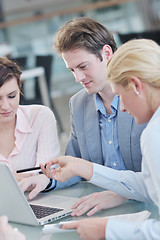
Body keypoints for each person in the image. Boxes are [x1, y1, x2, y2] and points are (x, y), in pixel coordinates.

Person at [41, 38, 160, 239]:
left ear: (136, 86)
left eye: (120, 95)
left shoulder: (153, 133)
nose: (121, 108)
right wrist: (85, 168)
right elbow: (150, 186)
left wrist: (107, 230)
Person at [22, 17, 146, 209]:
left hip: (145, 204)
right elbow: (77, 165)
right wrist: (48, 181)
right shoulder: (79, 104)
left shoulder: (144, 96)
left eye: (83, 66)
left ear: (106, 53)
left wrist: (122, 194)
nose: (78, 78)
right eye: (72, 70)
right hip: (99, 206)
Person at [0, 57, 60, 199]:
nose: (5, 106)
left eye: (12, 96)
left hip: (37, 201)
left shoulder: (40, 117)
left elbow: (48, 175)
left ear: (19, 90)